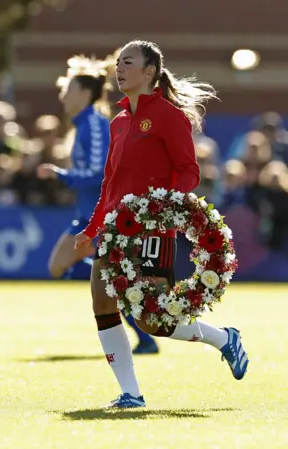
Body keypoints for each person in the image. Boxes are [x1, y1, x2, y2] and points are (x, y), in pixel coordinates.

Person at [74, 40, 249, 409]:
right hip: (115, 230)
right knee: (102, 303)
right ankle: (131, 393)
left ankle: (223, 339)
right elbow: (110, 183)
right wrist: (92, 230)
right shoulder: (119, 122)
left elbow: (189, 171)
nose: (119, 69)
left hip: (153, 231)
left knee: (153, 320)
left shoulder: (169, 116)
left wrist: (161, 207)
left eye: (128, 62)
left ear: (150, 71)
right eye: (118, 63)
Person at [37, 52, 161, 354]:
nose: (63, 96)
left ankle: (139, 317)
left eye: (67, 90)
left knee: (58, 267)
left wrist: (61, 176)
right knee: (100, 277)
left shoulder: (93, 123)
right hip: (90, 213)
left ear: (83, 93)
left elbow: (98, 174)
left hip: (100, 216)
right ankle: (143, 333)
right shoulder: (84, 125)